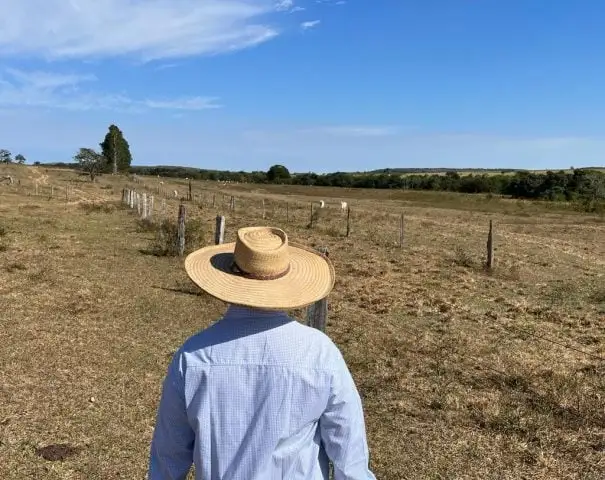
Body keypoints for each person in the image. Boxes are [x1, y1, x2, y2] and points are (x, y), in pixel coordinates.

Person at [148, 226, 376, 480]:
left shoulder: (192, 357)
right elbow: (350, 459)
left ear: (230, 277)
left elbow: (168, 460)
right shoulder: (320, 354)